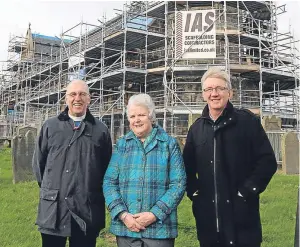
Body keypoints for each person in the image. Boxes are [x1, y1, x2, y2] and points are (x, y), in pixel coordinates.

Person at [183, 67, 277, 247]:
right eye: (209, 89)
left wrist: (246, 191)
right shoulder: (196, 129)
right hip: (209, 219)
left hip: (242, 216)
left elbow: (267, 161)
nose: (214, 94)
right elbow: (186, 167)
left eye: (220, 88)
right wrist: (194, 193)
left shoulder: (247, 122)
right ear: (203, 94)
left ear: (230, 93)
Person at [32, 79, 112, 247]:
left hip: (87, 209)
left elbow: (107, 169)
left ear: (89, 99)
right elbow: (39, 165)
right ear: (66, 98)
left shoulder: (101, 130)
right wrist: (53, 187)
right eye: (73, 94)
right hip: (54, 209)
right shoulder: (50, 127)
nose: (78, 98)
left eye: (82, 94)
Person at [103, 93, 186, 247]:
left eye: (141, 115)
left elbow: (178, 184)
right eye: (133, 116)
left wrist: (154, 214)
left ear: (151, 116)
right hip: (126, 229)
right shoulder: (122, 145)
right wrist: (123, 214)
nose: (137, 120)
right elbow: (109, 182)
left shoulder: (169, 144)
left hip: (159, 230)